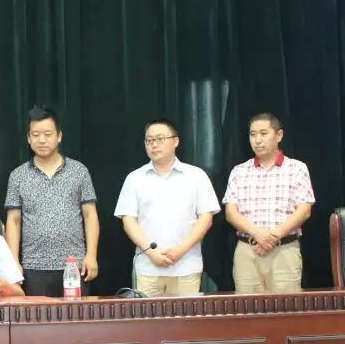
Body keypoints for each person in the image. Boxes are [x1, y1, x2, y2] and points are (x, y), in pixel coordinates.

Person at [114, 119, 220, 296]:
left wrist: (181, 250)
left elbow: (206, 218)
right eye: (149, 140)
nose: (154, 145)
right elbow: (128, 220)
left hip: (186, 266)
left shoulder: (196, 176)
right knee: (146, 314)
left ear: (176, 141)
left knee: (185, 315)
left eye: (160, 139)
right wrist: (151, 253)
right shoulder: (135, 178)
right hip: (148, 267)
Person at [4, 106, 100, 296]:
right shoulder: (18, 176)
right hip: (34, 267)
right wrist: (13, 262)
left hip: (74, 266)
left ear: (59, 136)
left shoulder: (79, 171)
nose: (42, 139)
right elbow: (13, 221)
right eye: (36, 134)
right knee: (38, 316)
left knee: (76, 315)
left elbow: (90, 215)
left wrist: (91, 255)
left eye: (48, 134)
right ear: (28, 138)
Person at [222, 112, 315, 293]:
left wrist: (272, 237)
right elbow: (230, 213)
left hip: (284, 249)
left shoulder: (297, 168)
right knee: (246, 308)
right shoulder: (239, 171)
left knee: (286, 308)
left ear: (279, 135)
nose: (257, 140)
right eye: (253, 134)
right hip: (247, 251)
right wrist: (257, 234)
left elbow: (304, 211)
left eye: (263, 133)